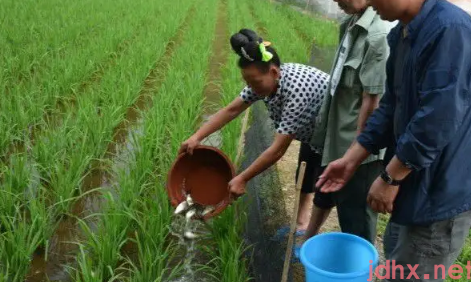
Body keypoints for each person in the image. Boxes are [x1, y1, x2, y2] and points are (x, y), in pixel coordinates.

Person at [316, 0, 471, 281]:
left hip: (436, 195)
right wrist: (351, 159)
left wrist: (390, 178)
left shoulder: (450, 29)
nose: (370, 2)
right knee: (395, 264)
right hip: (411, 187)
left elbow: (437, 119)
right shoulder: (401, 33)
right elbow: (390, 107)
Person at [179, 28, 330, 232]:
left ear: (274, 72)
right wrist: (196, 137)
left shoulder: (296, 92)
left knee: (325, 187)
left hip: (335, 134)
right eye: (247, 82)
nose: (251, 87)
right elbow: (232, 109)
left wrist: (242, 178)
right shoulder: (264, 81)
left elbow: (277, 150)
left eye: (254, 82)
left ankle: (310, 236)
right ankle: (301, 223)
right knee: (305, 174)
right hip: (312, 132)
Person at [303, 0, 396, 244]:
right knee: (337, 204)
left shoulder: (378, 35)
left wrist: (355, 154)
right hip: (338, 138)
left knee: (356, 224)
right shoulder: (350, 23)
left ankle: (358, 272)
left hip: (360, 151)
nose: (337, 1)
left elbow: (372, 102)